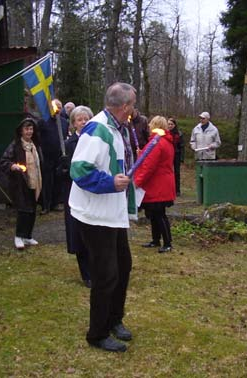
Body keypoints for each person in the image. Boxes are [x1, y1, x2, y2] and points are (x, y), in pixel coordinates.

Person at [69, 82, 136, 352]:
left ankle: (114, 319)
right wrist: (110, 183)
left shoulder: (117, 127)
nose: (134, 109)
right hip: (95, 215)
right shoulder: (97, 129)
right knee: (106, 274)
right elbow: (79, 170)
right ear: (123, 106)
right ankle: (97, 333)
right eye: (132, 104)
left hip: (113, 212)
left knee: (123, 266)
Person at [61, 106, 93, 288]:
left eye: (86, 119)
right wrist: (64, 168)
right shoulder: (68, 145)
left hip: (92, 192)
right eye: (80, 120)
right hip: (74, 193)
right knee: (78, 232)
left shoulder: (95, 141)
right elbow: (60, 174)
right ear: (74, 124)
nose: (83, 122)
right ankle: (86, 273)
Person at [134, 116, 176, 253]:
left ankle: (167, 242)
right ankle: (156, 240)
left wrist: (137, 182)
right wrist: (141, 154)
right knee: (155, 213)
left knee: (159, 214)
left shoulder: (156, 143)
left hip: (158, 184)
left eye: (151, 124)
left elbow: (148, 166)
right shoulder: (164, 141)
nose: (149, 126)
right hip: (162, 182)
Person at [0, 118, 42, 250]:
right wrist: (13, 166)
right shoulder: (16, 145)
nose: (29, 131)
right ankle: (19, 236)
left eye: (31, 129)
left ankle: (28, 236)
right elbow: (4, 161)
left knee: (32, 210)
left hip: (35, 181)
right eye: (26, 129)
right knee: (23, 210)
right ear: (21, 131)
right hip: (20, 182)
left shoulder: (35, 145)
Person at [38, 99, 69, 214]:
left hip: (60, 156)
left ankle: (56, 202)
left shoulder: (64, 122)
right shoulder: (43, 122)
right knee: (47, 181)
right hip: (47, 156)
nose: (57, 109)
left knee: (58, 180)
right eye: (55, 107)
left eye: (60, 107)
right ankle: (46, 205)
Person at [167, 117, 184, 196]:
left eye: (171, 124)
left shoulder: (179, 134)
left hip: (176, 154)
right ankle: (169, 189)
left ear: (174, 125)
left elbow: (182, 146)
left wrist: (182, 158)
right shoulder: (166, 133)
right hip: (168, 155)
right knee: (168, 171)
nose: (170, 126)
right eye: (169, 124)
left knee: (177, 173)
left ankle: (177, 190)